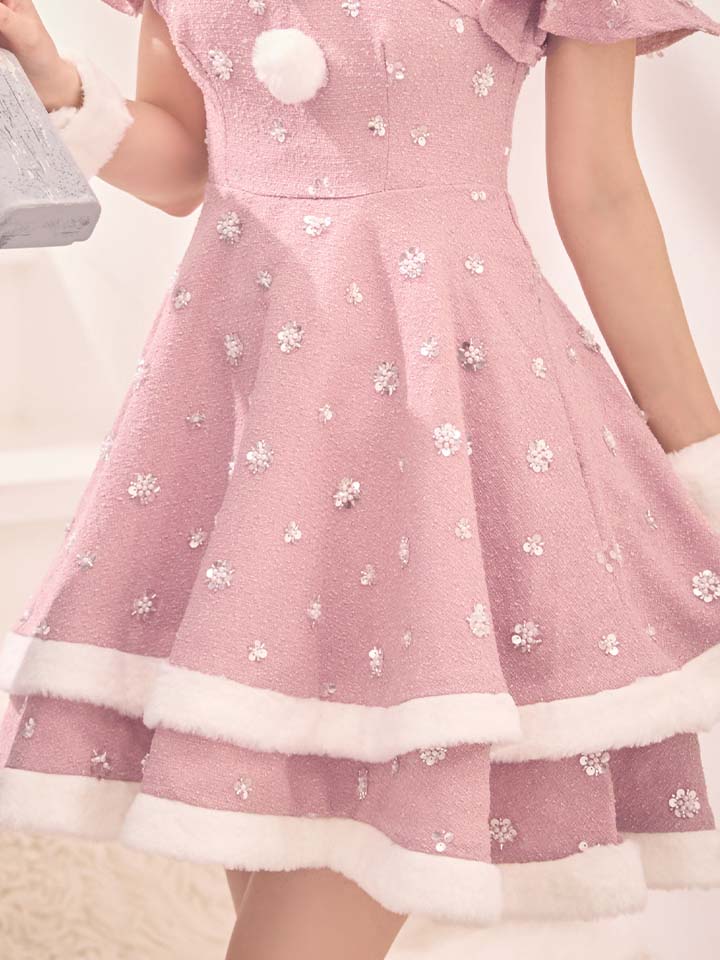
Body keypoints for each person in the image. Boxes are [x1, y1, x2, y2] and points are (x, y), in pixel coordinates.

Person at [0, 1, 719, 957]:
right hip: (241, 430)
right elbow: (185, 165)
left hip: (448, 428)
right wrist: (60, 87)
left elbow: (601, 193)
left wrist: (702, 463)